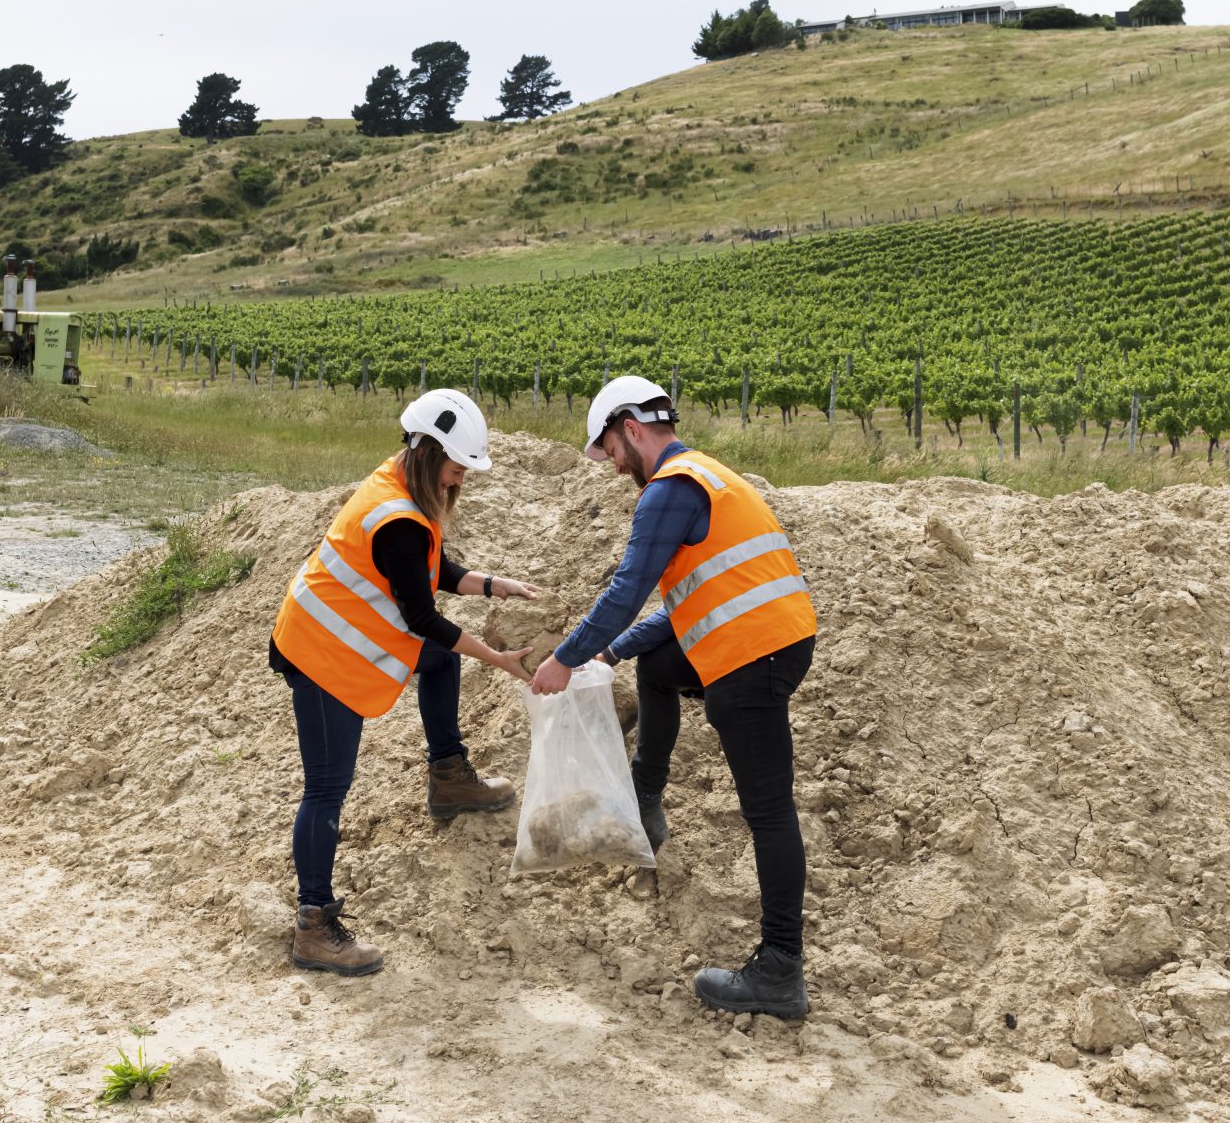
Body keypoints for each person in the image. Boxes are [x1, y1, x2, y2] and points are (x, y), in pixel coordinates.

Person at [530, 376, 819, 1017]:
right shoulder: (707, 474)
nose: (608, 464)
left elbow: (627, 590)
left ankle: (779, 971)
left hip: (756, 654)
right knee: (658, 665)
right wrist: (612, 651)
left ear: (631, 427)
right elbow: (689, 605)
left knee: (768, 812)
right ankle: (647, 798)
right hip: (771, 637)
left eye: (608, 448)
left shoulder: (667, 492)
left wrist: (564, 659)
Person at [269, 388, 539, 976]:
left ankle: (449, 778)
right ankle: (313, 924)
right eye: (455, 464)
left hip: (339, 636)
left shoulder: (402, 488)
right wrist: (500, 658)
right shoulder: (396, 518)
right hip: (320, 653)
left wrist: (496, 585)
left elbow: (430, 572)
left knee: (438, 663)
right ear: (425, 451)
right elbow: (423, 618)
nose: (460, 476)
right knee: (327, 789)